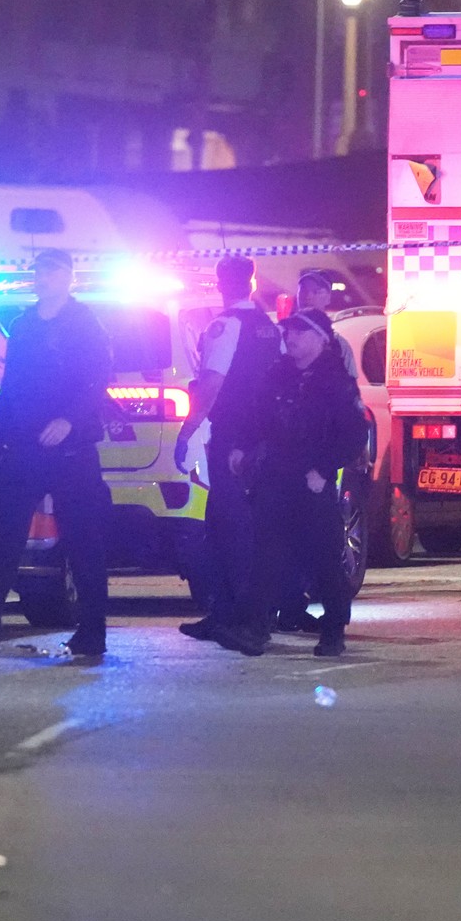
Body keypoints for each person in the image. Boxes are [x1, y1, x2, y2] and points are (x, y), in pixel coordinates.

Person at [0, 248, 115, 656]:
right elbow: (12, 385)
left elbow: (97, 379)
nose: (42, 277)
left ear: (69, 277)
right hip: (23, 444)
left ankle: (93, 632)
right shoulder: (24, 324)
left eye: (51, 270)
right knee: (4, 533)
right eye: (38, 270)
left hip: (72, 449)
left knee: (83, 540)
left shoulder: (85, 323)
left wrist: (70, 420)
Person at [215, 309, 369, 657]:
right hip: (275, 478)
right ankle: (255, 629)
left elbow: (354, 433)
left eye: (300, 332)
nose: (291, 338)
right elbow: (255, 418)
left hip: (312, 483)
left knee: (324, 559)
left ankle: (333, 631)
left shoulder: (336, 382)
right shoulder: (277, 375)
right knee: (266, 555)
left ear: (320, 339)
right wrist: (241, 448)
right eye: (288, 332)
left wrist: (324, 469)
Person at [174, 256, 282, 642]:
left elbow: (211, 385)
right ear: (250, 283)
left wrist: (187, 431)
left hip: (232, 436)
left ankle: (237, 618)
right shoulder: (268, 327)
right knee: (246, 528)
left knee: (227, 528)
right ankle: (231, 614)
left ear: (222, 285)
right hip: (262, 439)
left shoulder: (225, 326)